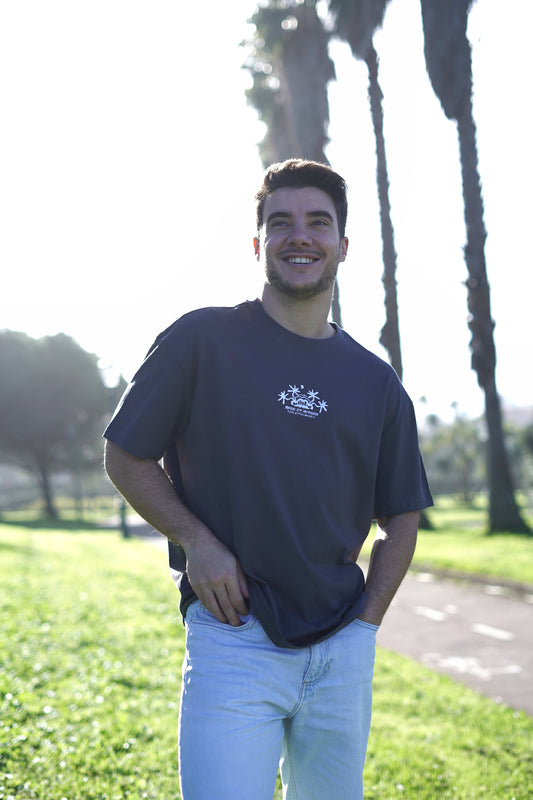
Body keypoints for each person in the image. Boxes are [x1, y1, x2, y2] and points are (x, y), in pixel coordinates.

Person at [103, 158, 433, 800]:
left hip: (341, 645)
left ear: (343, 245)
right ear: (258, 244)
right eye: (280, 222)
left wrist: (366, 624)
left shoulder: (377, 382)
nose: (299, 236)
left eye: (318, 222)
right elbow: (125, 455)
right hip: (234, 637)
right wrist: (197, 541)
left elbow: (401, 514)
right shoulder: (200, 340)